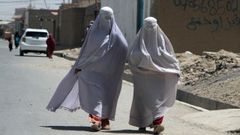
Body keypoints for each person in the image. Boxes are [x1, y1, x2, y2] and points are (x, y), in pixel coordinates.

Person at [46, 7, 128, 131]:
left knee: (107, 96)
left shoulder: (117, 36)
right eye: (104, 16)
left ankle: (105, 121)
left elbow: (123, 51)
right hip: (92, 72)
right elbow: (86, 51)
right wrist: (80, 66)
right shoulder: (93, 33)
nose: (106, 19)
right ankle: (96, 120)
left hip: (109, 75)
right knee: (95, 96)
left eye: (108, 16)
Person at [128, 17, 180, 134]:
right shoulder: (139, 43)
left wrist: (175, 69)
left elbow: (170, 58)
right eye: (148, 26)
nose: (151, 29)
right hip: (143, 77)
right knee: (143, 101)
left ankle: (157, 124)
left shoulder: (162, 41)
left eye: (152, 26)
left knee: (157, 101)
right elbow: (132, 58)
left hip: (156, 77)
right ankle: (142, 123)